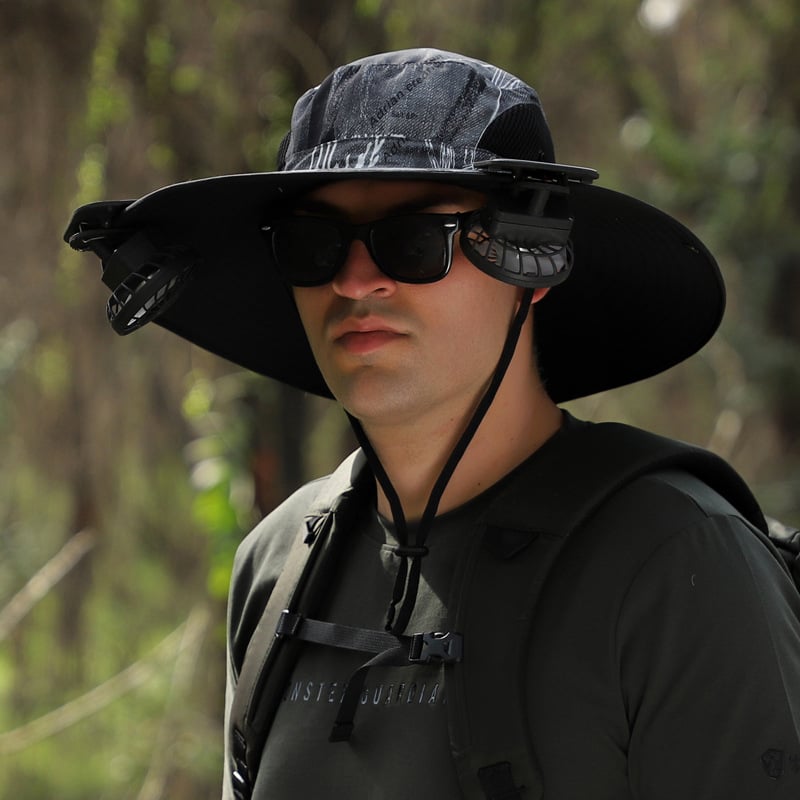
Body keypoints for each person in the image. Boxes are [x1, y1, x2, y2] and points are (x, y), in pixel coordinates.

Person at [65, 49, 800, 799]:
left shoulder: (677, 562)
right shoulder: (278, 566)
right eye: (313, 245)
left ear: (530, 261)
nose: (355, 281)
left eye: (413, 241)